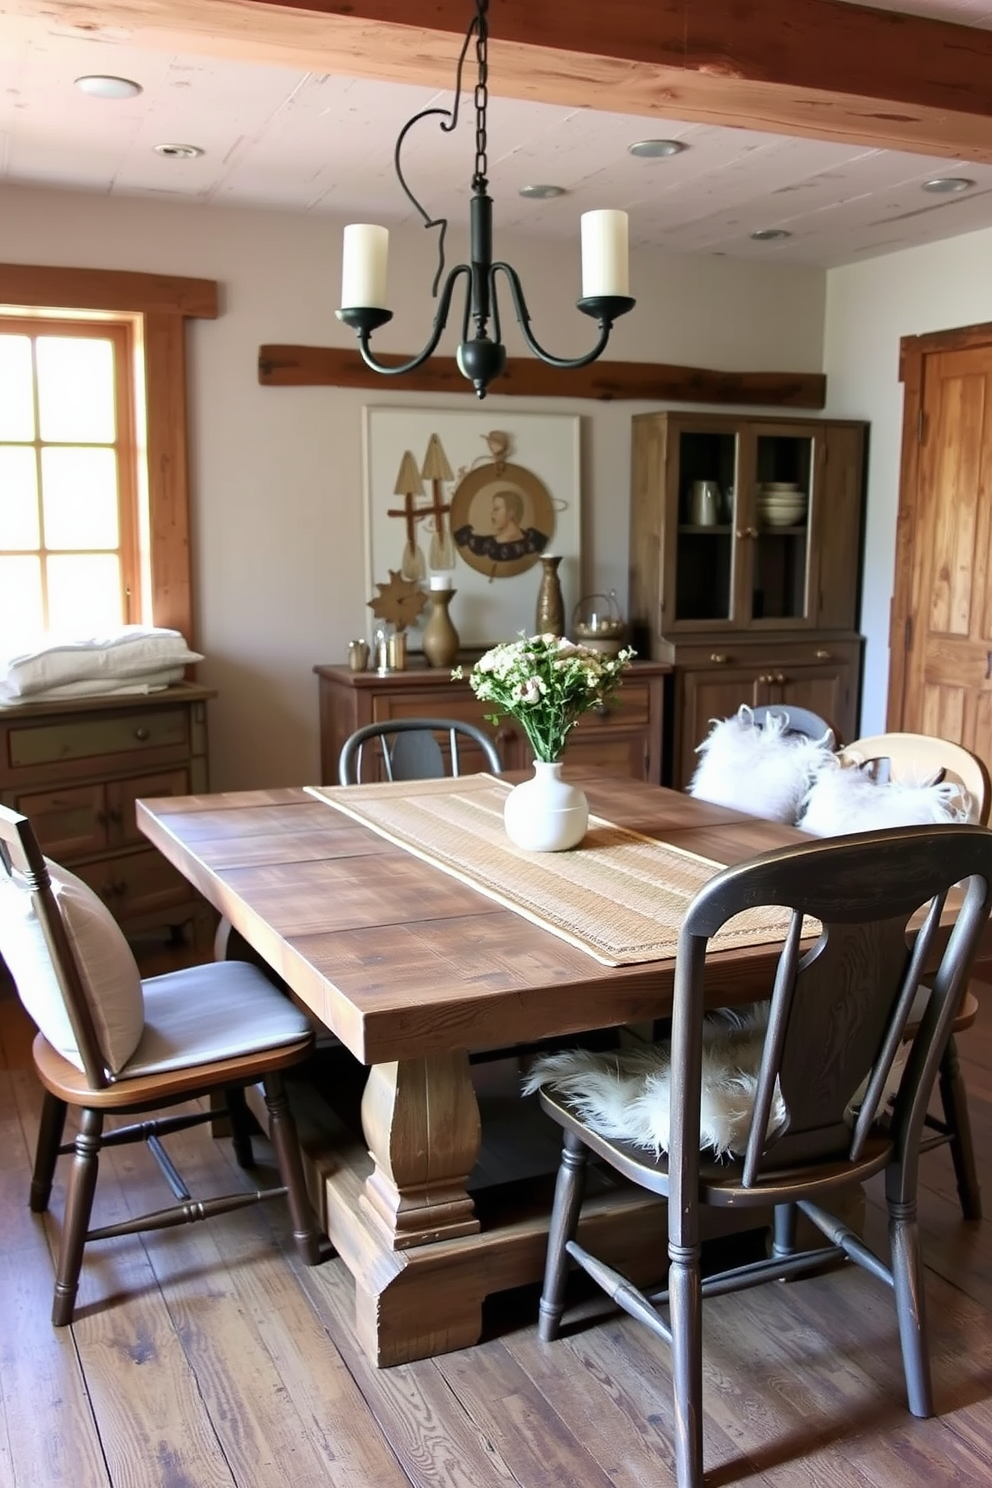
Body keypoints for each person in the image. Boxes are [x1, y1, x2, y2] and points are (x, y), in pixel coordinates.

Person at [454, 486, 549, 563]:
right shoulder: (485, 544)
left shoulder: (534, 539)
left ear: (511, 512)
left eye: (496, 509)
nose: (492, 514)